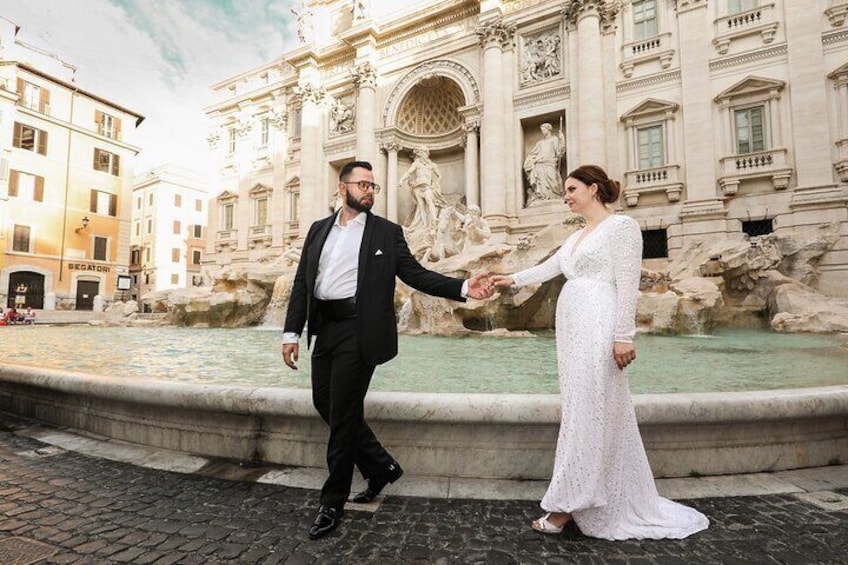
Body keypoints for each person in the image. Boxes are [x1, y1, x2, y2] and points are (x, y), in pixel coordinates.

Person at [491, 165, 709, 540]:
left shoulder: (621, 227)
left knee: (593, 411)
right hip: (573, 326)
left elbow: (628, 284)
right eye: (565, 190)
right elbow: (547, 269)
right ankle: (591, 497)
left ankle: (566, 506)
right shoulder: (577, 236)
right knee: (582, 409)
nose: (566, 196)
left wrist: (623, 336)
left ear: (594, 189)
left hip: (600, 322)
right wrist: (508, 279)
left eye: (572, 189)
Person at [282, 160, 493, 540]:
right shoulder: (318, 230)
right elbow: (302, 283)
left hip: (359, 331)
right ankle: (381, 467)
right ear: (341, 187)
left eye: (373, 186)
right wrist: (291, 333)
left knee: (344, 415)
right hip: (325, 328)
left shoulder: (386, 232)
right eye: (362, 184)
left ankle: (332, 503)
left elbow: (415, 274)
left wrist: (462, 289)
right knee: (323, 402)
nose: (369, 191)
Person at [399, 146, 448, 229]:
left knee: (429, 200)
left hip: (427, 185)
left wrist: (436, 183)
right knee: (421, 205)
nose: (424, 154)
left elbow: (439, 176)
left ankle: (434, 219)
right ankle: (425, 225)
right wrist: (401, 180)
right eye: (422, 152)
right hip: (417, 186)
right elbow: (408, 173)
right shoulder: (416, 164)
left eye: (425, 152)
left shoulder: (432, 165)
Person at [523, 123, 565, 205]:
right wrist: (532, 160)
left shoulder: (554, 139)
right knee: (540, 182)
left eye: (544, 129)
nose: (543, 131)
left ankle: (554, 195)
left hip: (550, 162)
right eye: (542, 130)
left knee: (553, 179)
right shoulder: (540, 142)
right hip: (540, 163)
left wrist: (562, 139)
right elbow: (533, 153)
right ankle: (542, 196)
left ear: (549, 130)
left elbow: (559, 151)